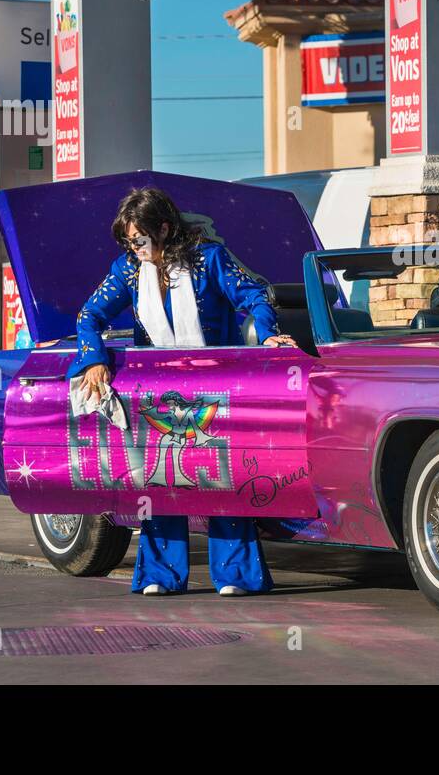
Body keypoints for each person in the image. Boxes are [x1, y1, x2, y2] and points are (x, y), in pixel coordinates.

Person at [68, 187, 297, 597]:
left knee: (221, 477)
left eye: (139, 239)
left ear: (166, 229)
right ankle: (160, 575)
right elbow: (89, 314)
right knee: (160, 480)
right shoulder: (127, 270)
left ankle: (236, 576)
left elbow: (256, 295)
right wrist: (94, 357)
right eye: (127, 240)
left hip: (217, 384)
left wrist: (267, 338)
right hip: (156, 388)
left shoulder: (210, 259)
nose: (132, 247)